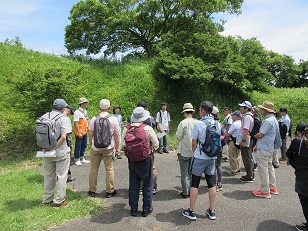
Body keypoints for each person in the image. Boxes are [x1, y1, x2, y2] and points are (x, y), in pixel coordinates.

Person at [182, 101, 217, 220]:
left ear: (202, 110)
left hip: (199, 156)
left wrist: (194, 153)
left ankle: (191, 211)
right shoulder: (217, 123)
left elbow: (193, 142)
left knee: (195, 184)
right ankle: (212, 211)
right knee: (211, 184)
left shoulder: (199, 123)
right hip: (212, 157)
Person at [122, 107, 159, 217]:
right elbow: (156, 144)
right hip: (145, 159)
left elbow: (122, 144)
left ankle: (133, 209)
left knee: (133, 184)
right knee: (147, 184)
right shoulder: (147, 128)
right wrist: (151, 148)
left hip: (132, 160)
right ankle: (146, 209)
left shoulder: (127, 128)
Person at [88, 99, 120, 198]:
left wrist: (91, 144)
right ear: (109, 108)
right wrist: (117, 148)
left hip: (95, 148)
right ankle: (109, 191)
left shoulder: (93, 119)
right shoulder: (113, 119)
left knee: (93, 169)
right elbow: (116, 135)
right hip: (108, 147)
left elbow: (90, 134)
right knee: (109, 169)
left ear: (99, 108)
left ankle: (92, 190)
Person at [42, 99, 71, 207]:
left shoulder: (45, 116)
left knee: (48, 176)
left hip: (46, 151)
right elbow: (64, 136)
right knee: (62, 176)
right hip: (61, 152)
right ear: (63, 108)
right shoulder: (63, 118)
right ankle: (59, 201)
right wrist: (54, 147)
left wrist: (47, 147)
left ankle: (47, 199)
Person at [252, 101, 279, 198]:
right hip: (270, 147)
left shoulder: (267, 121)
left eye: (262, 108)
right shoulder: (274, 119)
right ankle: (273, 188)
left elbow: (260, 134)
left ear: (266, 110)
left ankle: (265, 191)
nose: (260, 110)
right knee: (269, 167)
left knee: (263, 169)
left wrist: (253, 136)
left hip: (264, 148)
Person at [286, 122, 308, 231]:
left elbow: (289, 155)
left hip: (303, 176)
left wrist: (296, 164)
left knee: (305, 200)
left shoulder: (298, 143)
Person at [137, 100, 158, 195]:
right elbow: (153, 129)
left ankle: (140, 188)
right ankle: (153, 187)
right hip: (148, 146)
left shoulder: (134, 117)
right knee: (152, 168)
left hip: (136, 146)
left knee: (138, 168)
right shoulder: (150, 118)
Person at [175, 103, 196, 198]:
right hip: (194, 151)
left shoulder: (183, 123)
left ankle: (185, 192)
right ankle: (192, 190)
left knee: (184, 173)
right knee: (191, 172)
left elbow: (178, 136)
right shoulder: (197, 122)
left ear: (184, 112)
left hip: (184, 150)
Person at [238, 101, 255, 183]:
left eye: (242, 107)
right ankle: (251, 174)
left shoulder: (247, 117)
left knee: (246, 157)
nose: (240, 108)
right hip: (248, 138)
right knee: (249, 157)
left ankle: (249, 176)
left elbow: (246, 129)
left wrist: (243, 140)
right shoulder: (249, 116)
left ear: (246, 108)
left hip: (246, 138)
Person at [73, 97, 90, 166]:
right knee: (78, 146)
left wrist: (88, 128)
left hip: (85, 131)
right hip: (80, 131)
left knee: (84, 145)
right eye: (86, 103)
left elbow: (87, 120)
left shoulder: (85, 111)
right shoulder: (77, 112)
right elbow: (76, 122)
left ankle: (82, 157)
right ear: (82, 104)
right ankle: (76, 159)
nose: (87, 104)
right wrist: (78, 132)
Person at [226, 110, 242, 175]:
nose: (232, 117)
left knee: (232, 155)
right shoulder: (241, 123)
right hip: (239, 141)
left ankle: (233, 170)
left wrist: (226, 139)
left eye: (233, 116)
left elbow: (229, 134)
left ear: (236, 116)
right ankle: (238, 168)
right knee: (238, 155)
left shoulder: (234, 124)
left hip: (233, 141)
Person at [212, 106, 224, 192]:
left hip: (213, 147)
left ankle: (214, 184)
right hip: (220, 146)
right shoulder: (220, 124)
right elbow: (224, 135)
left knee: (213, 166)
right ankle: (220, 184)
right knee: (219, 165)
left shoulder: (210, 123)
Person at [63, 105, 76, 183]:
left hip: (57, 142)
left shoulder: (56, 117)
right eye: (70, 112)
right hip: (66, 140)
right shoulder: (65, 118)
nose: (70, 114)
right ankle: (67, 176)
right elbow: (68, 132)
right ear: (68, 110)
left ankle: (60, 176)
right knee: (67, 159)